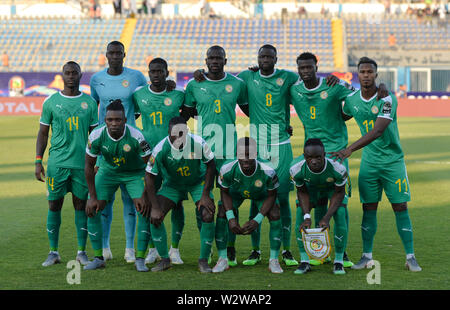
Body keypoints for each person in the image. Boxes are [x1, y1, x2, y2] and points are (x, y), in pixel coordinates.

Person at [290, 52, 388, 267]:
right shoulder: (294, 89)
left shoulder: (334, 85)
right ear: (298, 69)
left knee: (339, 205)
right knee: (313, 203)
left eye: (309, 67)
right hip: (311, 154)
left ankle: (340, 254)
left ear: (317, 66)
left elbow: (360, 94)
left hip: (335, 153)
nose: (306, 71)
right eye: (302, 68)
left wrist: (380, 88)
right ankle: (318, 249)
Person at [331, 57, 421, 272]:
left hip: (393, 162)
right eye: (362, 71)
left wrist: (349, 149)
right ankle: (366, 256)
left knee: (400, 207)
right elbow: (340, 115)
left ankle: (410, 257)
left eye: (370, 72)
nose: (366, 75)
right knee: (368, 208)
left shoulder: (387, 98)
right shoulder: (352, 100)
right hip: (370, 163)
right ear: (358, 74)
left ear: (376, 74)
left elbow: (378, 130)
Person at [183, 45, 248, 266]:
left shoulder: (237, 84)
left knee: (230, 204)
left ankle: (229, 247)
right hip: (203, 153)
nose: (214, 61)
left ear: (225, 60)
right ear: (205, 60)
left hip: (230, 153)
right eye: (211, 58)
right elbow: (186, 113)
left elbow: (251, 109)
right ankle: (208, 247)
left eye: (218, 58)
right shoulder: (194, 85)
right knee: (203, 203)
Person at [89, 40, 148, 263]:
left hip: (130, 143)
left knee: (131, 200)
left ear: (125, 54)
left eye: (118, 53)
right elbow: (96, 109)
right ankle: (105, 247)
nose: (115, 56)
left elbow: (142, 103)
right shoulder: (97, 79)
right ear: (106, 55)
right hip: (106, 145)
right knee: (105, 201)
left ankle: (129, 248)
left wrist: (128, 124)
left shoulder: (136, 77)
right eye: (111, 53)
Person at [35, 61, 98, 267]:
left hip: (82, 165)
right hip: (57, 164)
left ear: (81, 75)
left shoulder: (89, 103)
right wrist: (38, 161)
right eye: (67, 73)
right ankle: (53, 252)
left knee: (81, 207)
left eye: (75, 73)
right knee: (54, 205)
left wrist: (98, 162)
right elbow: (43, 133)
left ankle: (81, 252)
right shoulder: (51, 102)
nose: (71, 76)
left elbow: (94, 136)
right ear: (62, 75)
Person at [143, 117, 216, 273]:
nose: (177, 138)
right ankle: (164, 260)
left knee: (208, 214)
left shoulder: (198, 143)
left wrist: (205, 195)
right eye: (174, 134)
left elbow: (211, 165)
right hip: (173, 185)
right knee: (155, 217)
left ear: (187, 131)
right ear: (168, 132)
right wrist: (155, 207)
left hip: (197, 183)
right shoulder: (161, 148)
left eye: (181, 133)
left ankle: (203, 261)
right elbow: (149, 176)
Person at [84, 100, 151, 270]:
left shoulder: (137, 136)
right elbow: (89, 166)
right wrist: (92, 197)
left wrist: (145, 195)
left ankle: (140, 258)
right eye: (109, 120)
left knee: (145, 209)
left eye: (118, 120)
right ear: (105, 120)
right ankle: (99, 257)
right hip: (108, 172)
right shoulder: (96, 136)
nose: (113, 123)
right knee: (92, 209)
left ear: (125, 120)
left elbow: (150, 167)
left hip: (134, 173)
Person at [132, 58, 186, 265]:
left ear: (166, 72)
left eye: (160, 71)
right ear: (148, 72)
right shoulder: (138, 94)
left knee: (177, 203)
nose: (156, 74)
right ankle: (154, 248)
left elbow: (187, 116)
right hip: (147, 158)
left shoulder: (178, 94)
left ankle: (175, 249)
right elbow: (129, 115)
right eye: (152, 71)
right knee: (147, 202)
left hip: (173, 157)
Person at [215, 137, 283, 274]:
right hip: (236, 194)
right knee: (222, 212)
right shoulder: (227, 168)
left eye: (249, 155)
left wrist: (257, 220)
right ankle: (222, 259)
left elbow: (271, 195)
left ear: (256, 153)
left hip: (260, 195)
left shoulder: (268, 170)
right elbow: (224, 193)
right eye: (242, 155)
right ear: (236, 154)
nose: (246, 159)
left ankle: (274, 260)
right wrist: (231, 218)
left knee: (275, 213)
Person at [291, 139, 349, 275]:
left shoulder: (338, 167)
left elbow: (339, 193)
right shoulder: (295, 168)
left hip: (333, 189)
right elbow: (302, 191)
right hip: (310, 188)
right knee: (300, 216)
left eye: (318, 157)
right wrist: (306, 216)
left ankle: (339, 261)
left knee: (340, 214)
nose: (314, 161)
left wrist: (327, 217)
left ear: (324, 154)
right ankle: (304, 261)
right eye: (310, 157)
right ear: (304, 156)